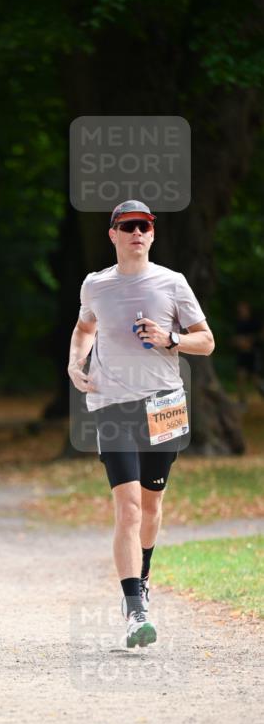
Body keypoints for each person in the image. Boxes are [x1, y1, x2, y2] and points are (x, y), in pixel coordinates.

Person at [67, 201, 215, 648]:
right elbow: (83, 329)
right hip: (111, 404)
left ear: (152, 234)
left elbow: (206, 342)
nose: (137, 232)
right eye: (128, 226)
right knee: (128, 507)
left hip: (163, 404)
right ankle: (135, 611)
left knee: (151, 509)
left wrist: (171, 338)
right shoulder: (96, 285)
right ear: (112, 234)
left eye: (144, 226)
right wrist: (75, 364)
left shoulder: (173, 283)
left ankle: (142, 576)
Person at [233, 299, 264, 405]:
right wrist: (238, 341)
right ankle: (242, 402)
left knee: (256, 380)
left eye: (242, 308)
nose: (240, 310)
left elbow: (260, 335)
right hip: (242, 354)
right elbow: (236, 338)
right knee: (240, 377)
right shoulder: (239, 322)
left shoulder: (254, 321)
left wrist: (249, 340)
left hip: (253, 353)